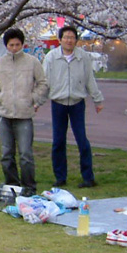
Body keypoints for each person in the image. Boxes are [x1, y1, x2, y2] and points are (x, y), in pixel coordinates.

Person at [0, 28, 48, 197]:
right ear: (6, 45)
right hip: (4, 114)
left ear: (22, 44)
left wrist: (33, 98)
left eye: (17, 45)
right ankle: (12, 185)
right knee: (6, 154)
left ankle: (29, 187)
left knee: (26, 154)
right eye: (11, 45)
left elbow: (42, 83)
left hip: (24, 115)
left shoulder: (32, 62)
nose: (14, 48)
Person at [43, 25, 104, 188]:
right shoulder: (51, 57)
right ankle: (60, 177)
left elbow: (90, 79)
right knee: (58, 141)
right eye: (66, 37)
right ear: (60, 40)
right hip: (58, 103)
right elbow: (45, 81)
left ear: (76, 40)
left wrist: (97, 99)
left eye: (72, 37)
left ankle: (88, 177)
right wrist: (37, 101)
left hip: (77, 103)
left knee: (82, 140)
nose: (69, 40)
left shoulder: (83, 57)